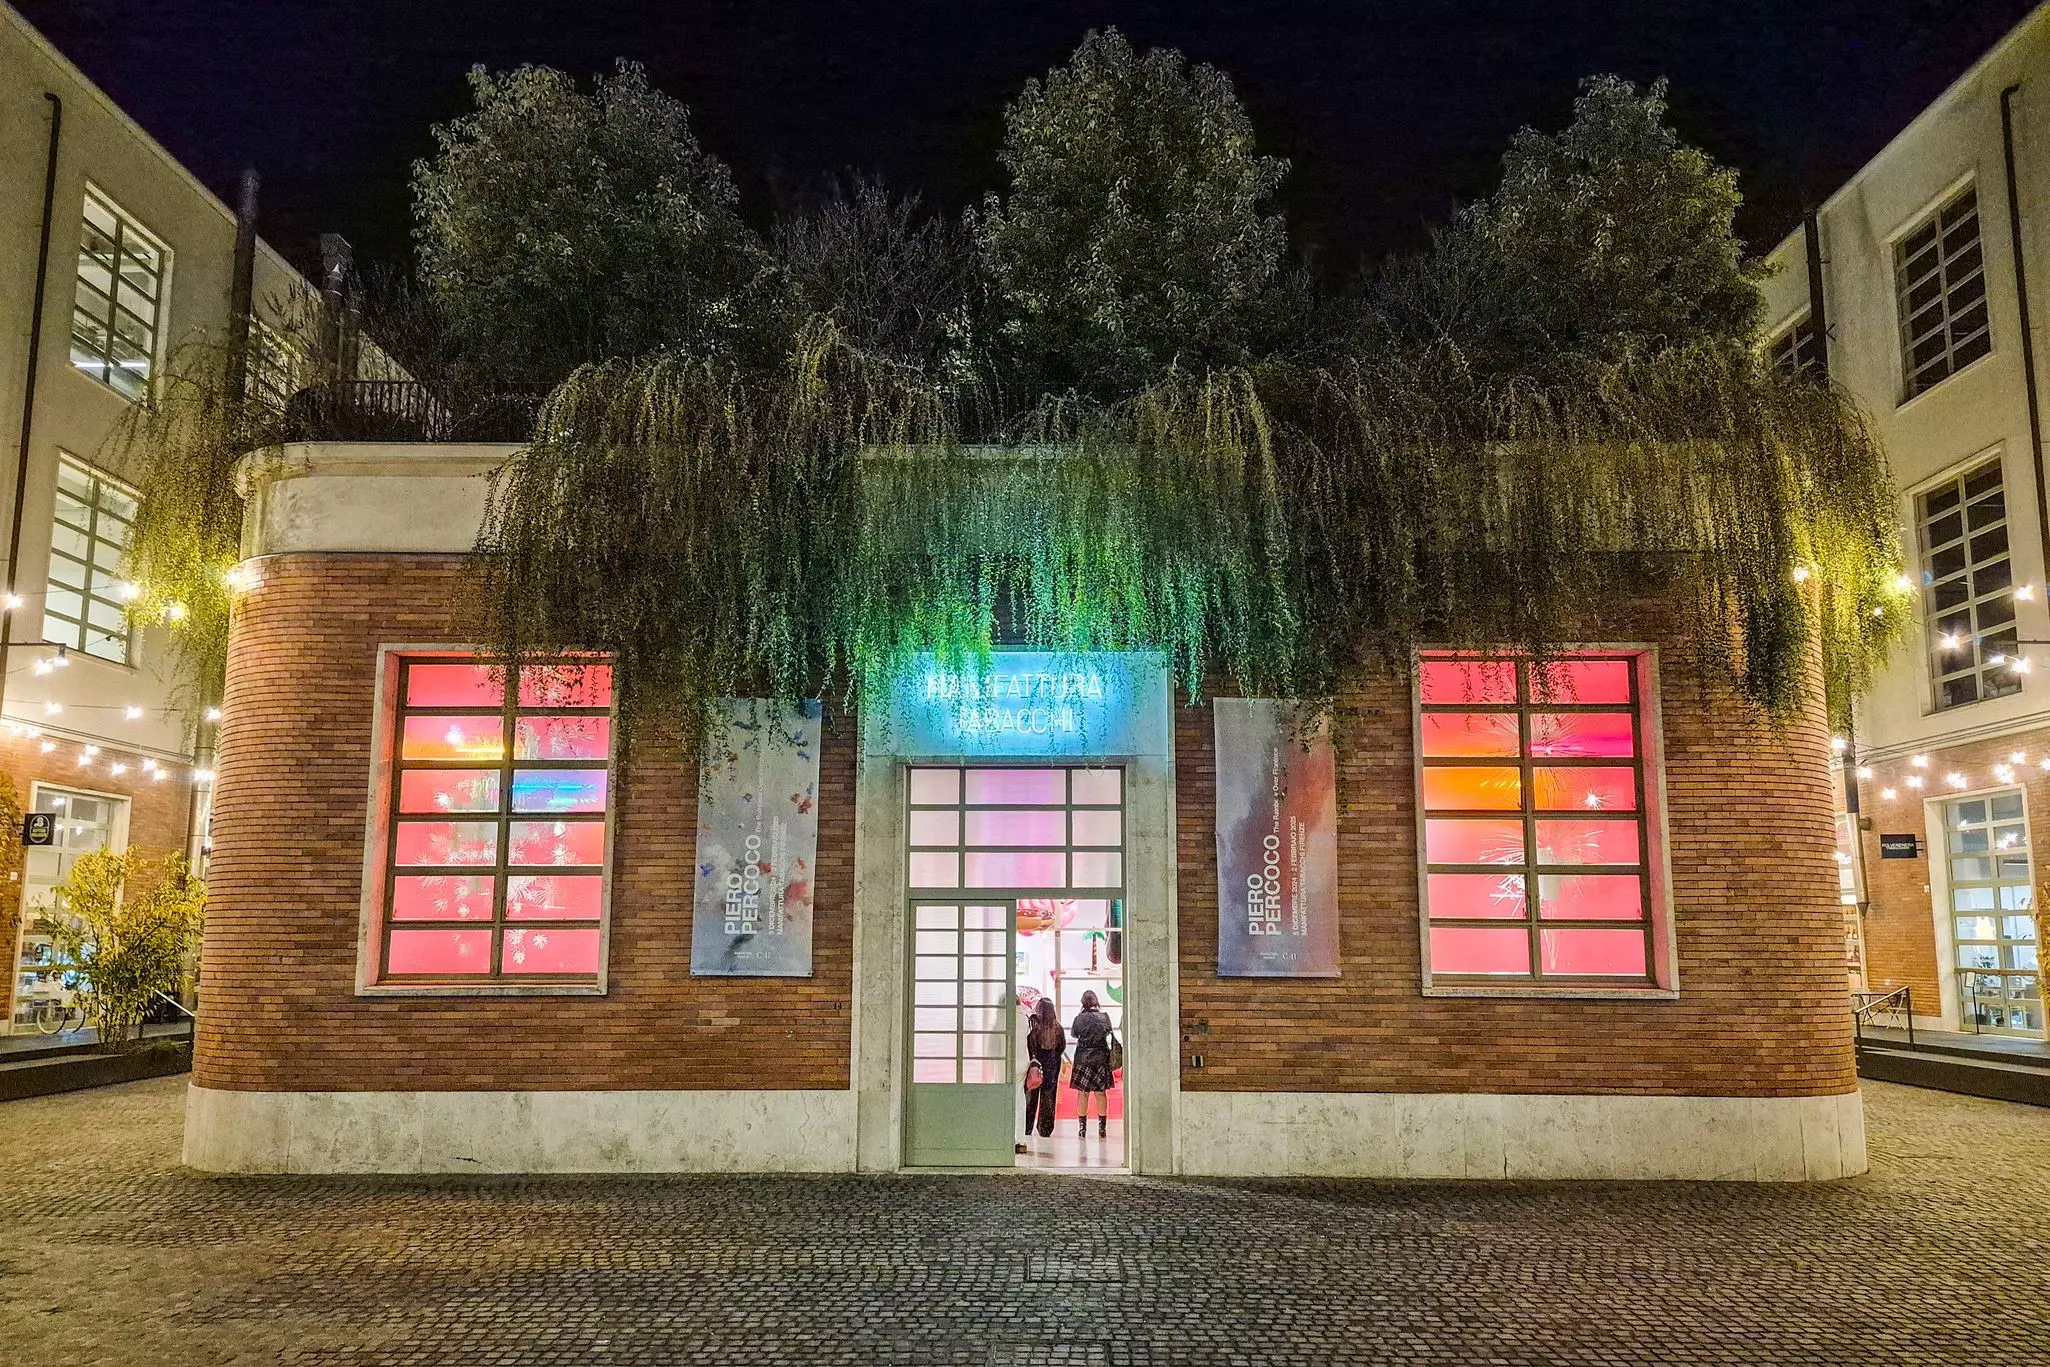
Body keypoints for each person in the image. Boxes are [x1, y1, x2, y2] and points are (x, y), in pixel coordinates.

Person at [1069, 990, 1116, 1139]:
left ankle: (1082, 1128)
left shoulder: (1079, 1018)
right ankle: (1102, 1127)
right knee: (1100, 1093)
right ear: (1096, 1002)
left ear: (1083, 1003)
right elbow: (1108, 1031)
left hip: (1083, 1058)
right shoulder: (1104, 1017)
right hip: (1101, 1058)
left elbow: (1074, 1034)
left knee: (1083, 1093)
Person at [1022, 997, 1066, 1142]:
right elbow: (1062, 1047)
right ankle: (1045, 1129)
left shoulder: (1034, 1024)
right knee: (1049, 1098)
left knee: (1031, 1097)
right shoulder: (1057, 1027)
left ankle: (1027, 1127)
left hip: (1036, 1065)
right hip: (1052, 1066)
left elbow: (1029, 1044)